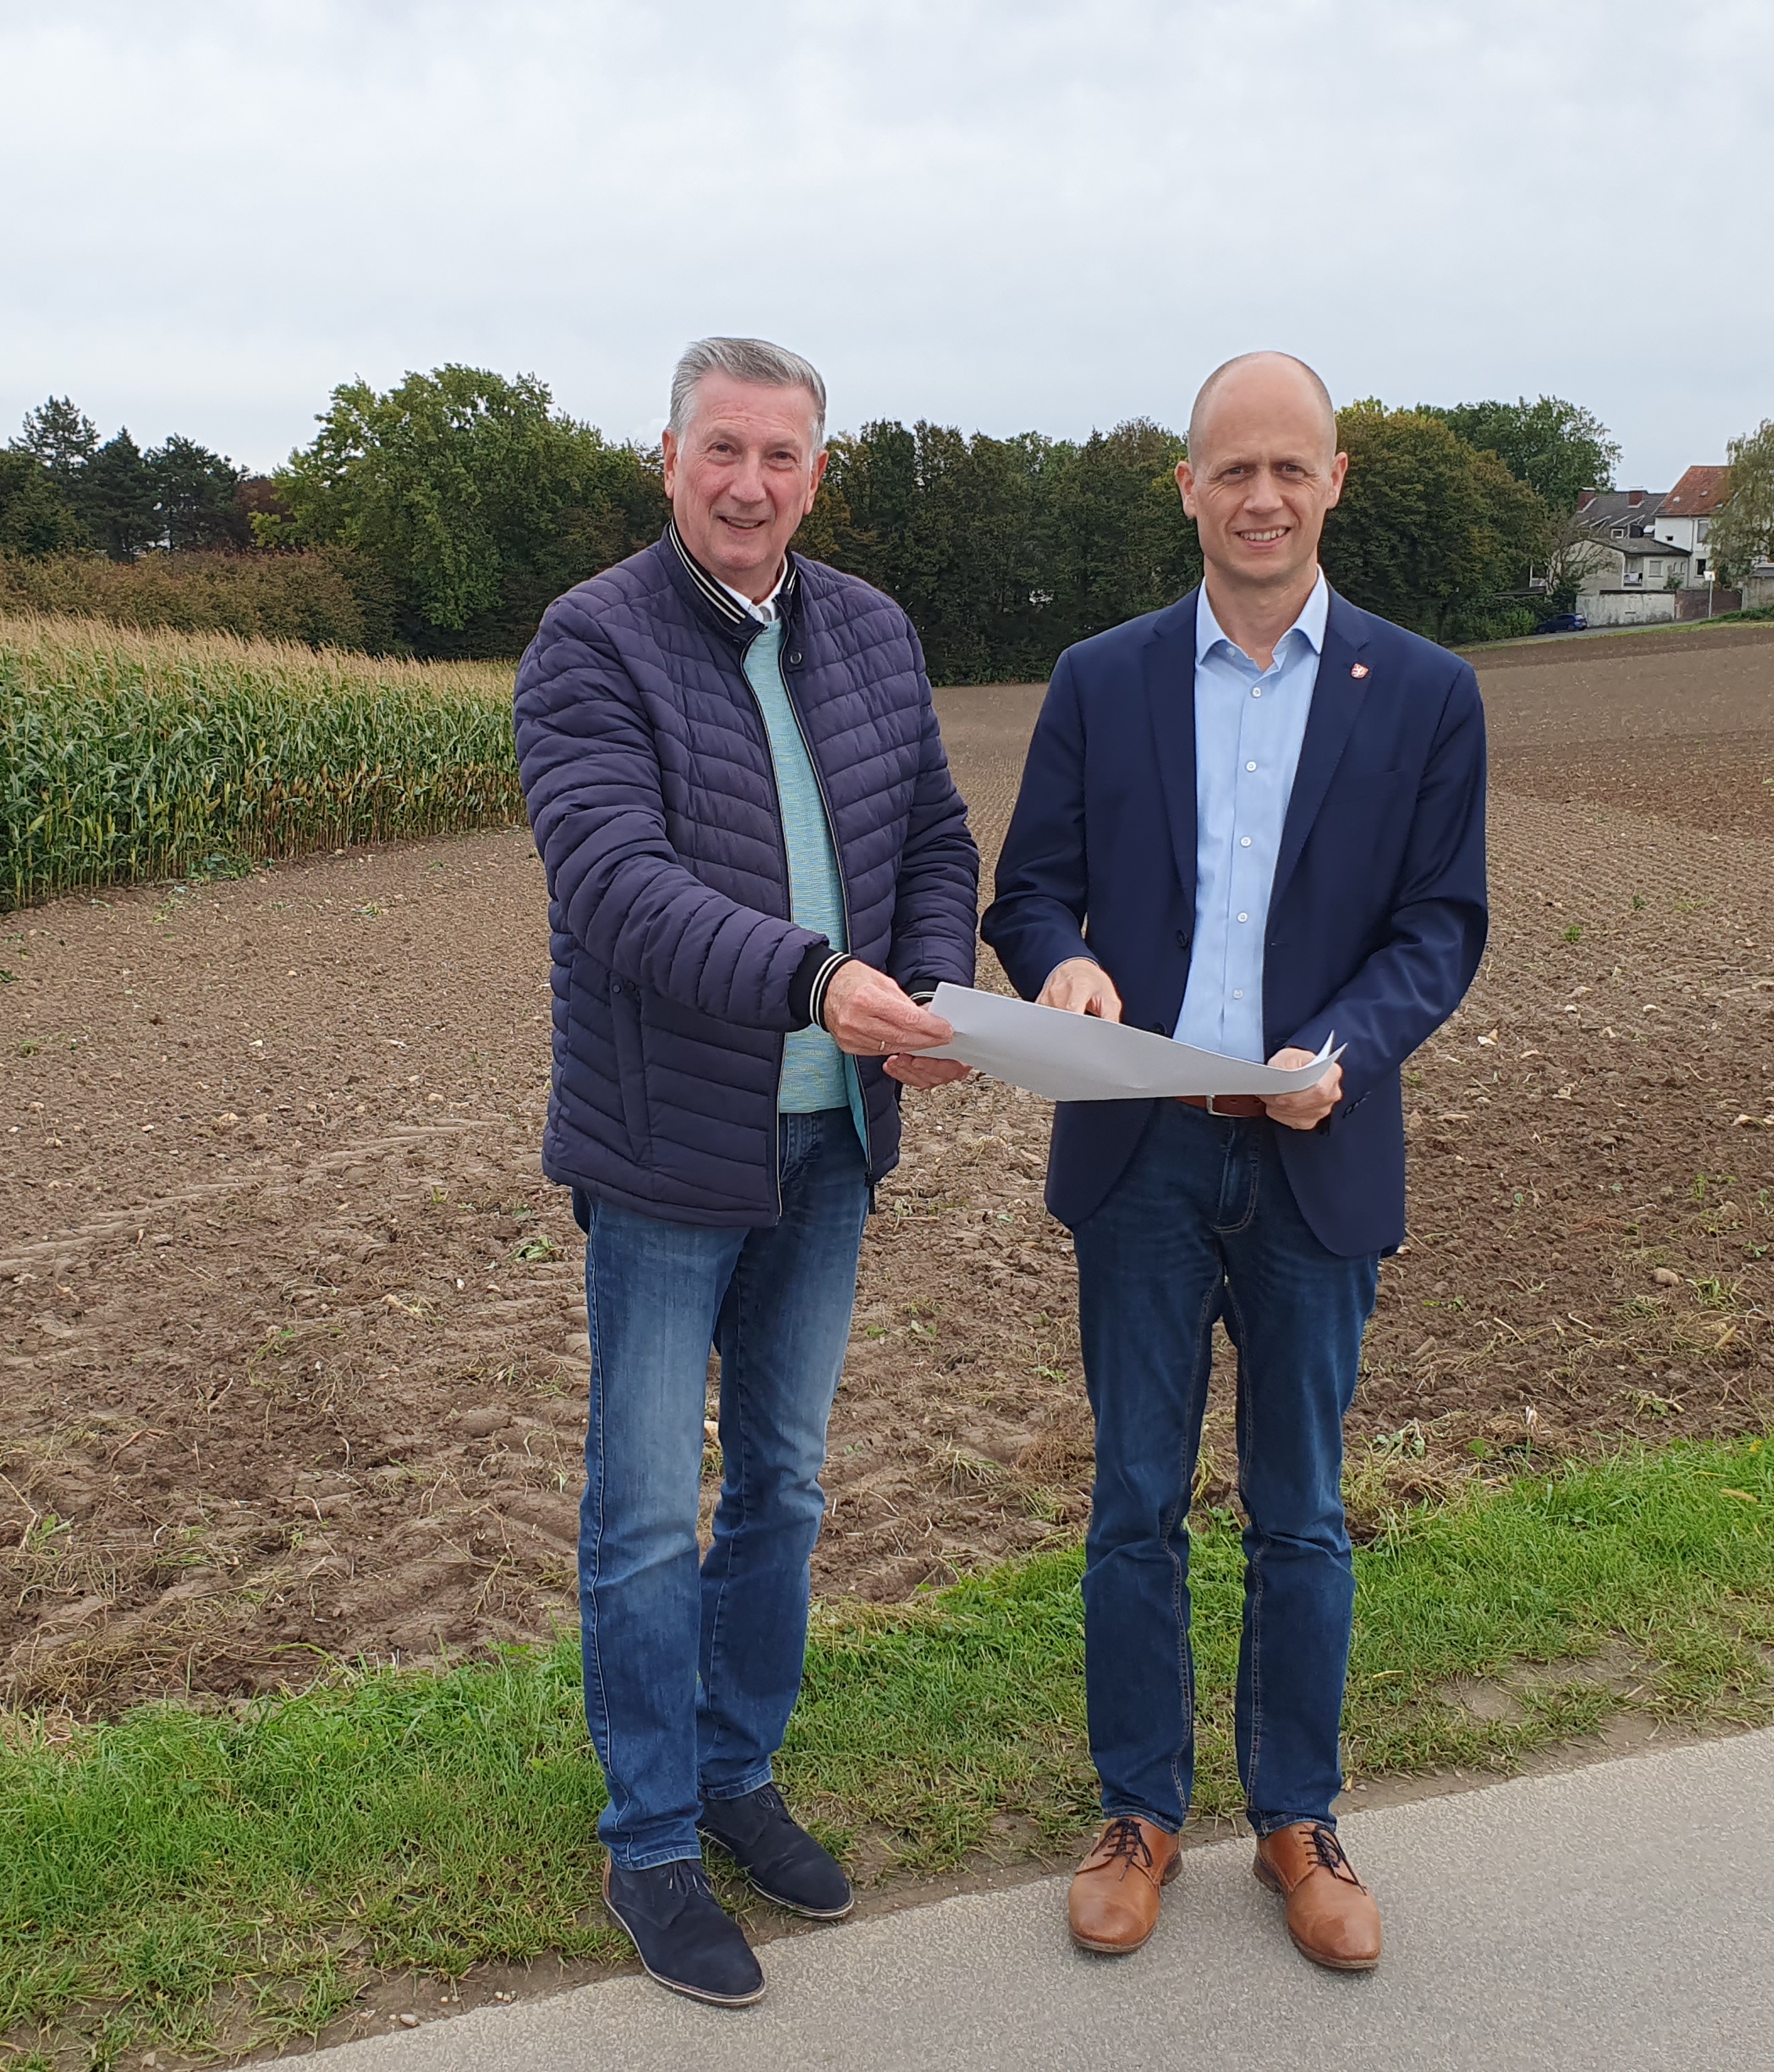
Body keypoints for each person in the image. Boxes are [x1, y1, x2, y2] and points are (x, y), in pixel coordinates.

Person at [982, 351, 1488, 1972]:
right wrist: (1058, 967)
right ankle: (1139, 1812)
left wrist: (1339, 1045)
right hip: (1137, 1154)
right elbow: (1030, 888)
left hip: (1312, 1158)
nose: (1261, 498)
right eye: (1230, 470)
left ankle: (1296, 1819)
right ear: (1186, 488)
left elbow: (1440, 925)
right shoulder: (1102, 676)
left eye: (1290, 469)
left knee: (1302, 1510)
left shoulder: (1422, 692)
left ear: (1335, 482)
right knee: (1135, 1500)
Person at [514, 337, 979, 2006]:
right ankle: (649, 1839)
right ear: (668, 457)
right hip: (666, 1149)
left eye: (782, 457)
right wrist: (812, 982)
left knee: (781, 1483)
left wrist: (918, 988)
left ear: (816, 475)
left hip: (831, 1137)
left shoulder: (867, 630)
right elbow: (615, 885)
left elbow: (933, 833)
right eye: (723, 450)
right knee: (644, 1512)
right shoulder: (592, 643)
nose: (750, 484)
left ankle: (734, 1772)